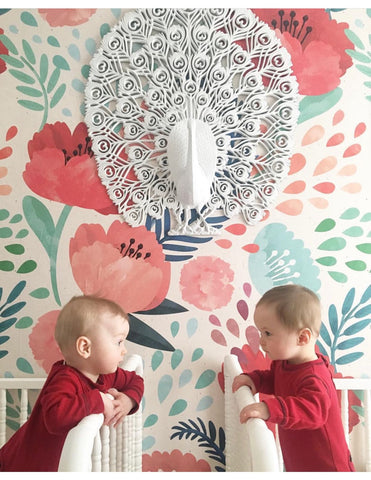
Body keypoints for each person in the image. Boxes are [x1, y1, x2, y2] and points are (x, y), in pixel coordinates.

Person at [0, 295, 144, 472]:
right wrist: (98, 400)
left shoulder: (105, 375)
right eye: (119, 342)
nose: (124, 350)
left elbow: (135, 379)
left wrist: (128, 401)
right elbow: (55, 417)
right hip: (20, 467)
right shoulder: (64, 379)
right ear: (85, 348)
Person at [232, 284, 355, 472]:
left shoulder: (314, 376)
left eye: (268, 333)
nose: (261, 340)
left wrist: (269, 409)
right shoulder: (285, 363)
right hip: (301, 463)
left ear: (302, 338)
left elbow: (313, 411)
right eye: (261, 333)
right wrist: (255, 380)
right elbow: (275, 379)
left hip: (328, 467)